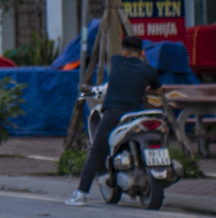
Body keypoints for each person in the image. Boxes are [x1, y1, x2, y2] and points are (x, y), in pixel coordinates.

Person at [67, 32, 163, 205]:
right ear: (142, 53)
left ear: (124, 52)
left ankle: (81, 194)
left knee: (96, 152)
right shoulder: (149, 70)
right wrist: (144, 90)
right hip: (138, 114)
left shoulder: (116, 61)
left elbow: (114, 81)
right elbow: (157, 89)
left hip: (115, 113)